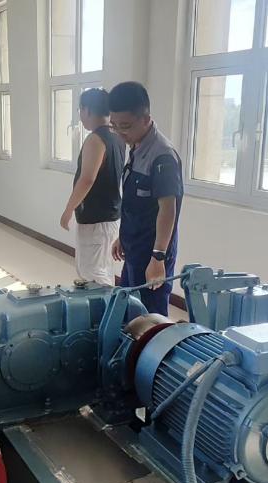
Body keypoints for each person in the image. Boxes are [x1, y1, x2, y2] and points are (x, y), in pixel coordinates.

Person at [108, 81, 183, 315]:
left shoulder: (162, 156)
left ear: (145, 119)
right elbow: (135, 202)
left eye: (125, 126)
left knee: (151, 319)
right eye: (114, 126)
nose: (120, 133)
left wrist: (158, 257)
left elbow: (168, 210)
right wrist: (123, 236)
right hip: (134, 248)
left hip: (152, 253)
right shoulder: (137, 146)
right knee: (128, 310)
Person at [60, 88, 124, 286]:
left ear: (87, 110)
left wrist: (68, 210)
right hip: (109, 218)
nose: (80, 116)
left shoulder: (95, 139)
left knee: (93, 274)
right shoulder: (117, 136)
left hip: (97, 221)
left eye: (80, 110)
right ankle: (109, 304)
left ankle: (107, 306)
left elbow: (87, 179)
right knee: (102, 270)